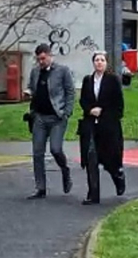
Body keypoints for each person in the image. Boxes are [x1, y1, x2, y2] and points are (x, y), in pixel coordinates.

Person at [25, 43, 75, 200]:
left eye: (43, 58)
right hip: (40, 117)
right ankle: (40, 188)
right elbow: (32, 87)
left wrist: (66, 112)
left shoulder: (62, 71)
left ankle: (65, 170)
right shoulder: (35, 72)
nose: (41, 62)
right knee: (37, 153)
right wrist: (28, 92)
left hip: (56, 117)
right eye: (38, 59)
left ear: (49, 55)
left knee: (55, 149)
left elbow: (70, 91)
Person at [78, 51, 126, 205]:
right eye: (96, 60)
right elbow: (83, 100)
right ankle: (93, 194)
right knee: (91, 158)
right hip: (91, 125)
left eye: (102, 60)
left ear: (106, 63)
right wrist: (90, 110)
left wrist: (103, 111)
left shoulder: (113, 80)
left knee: (110, 160)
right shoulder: (88, 80)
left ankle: (118, 177)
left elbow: (118, 105)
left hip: (108, 126)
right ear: (93, 63)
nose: (99, 62)